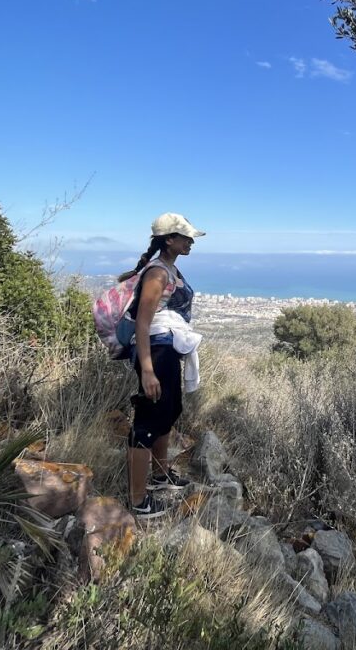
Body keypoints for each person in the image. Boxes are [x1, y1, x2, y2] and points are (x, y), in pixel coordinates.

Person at [120, 212, 205, 519]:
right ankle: (138, 500)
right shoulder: (157, 273)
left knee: (169, 411)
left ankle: (159, 475)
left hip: (167, 348)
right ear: (170, 239)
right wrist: (147, 369)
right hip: (155, 349)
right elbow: (143, 323)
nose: (191, 241)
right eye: (186, 237)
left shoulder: (169, 268)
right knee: (148, 420)